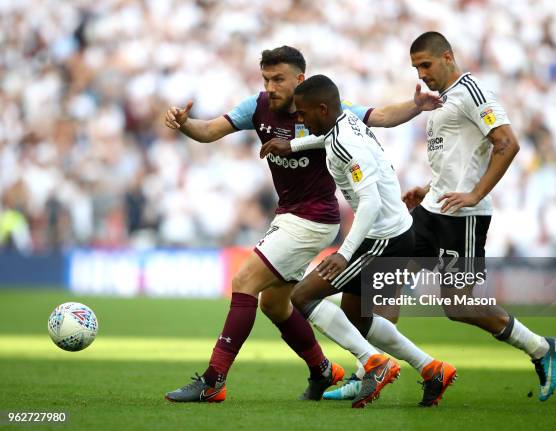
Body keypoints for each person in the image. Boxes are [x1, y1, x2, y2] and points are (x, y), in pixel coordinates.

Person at [163, 46, 443, 403]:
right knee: (275, 305)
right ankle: (323, 370)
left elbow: (382, 116)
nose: (271, 87)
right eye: (266, 79)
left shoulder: (324, 109)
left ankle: (213, 380)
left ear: (300, 80)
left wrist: (416, 105)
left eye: (278, 79)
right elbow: (209, 130)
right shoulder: (257, 106)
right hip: (290, 214)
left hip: (313, 217)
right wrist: (185, 124)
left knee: (245, 281)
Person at [402, 32, 556, 402]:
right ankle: (380, 369)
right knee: (385, 283)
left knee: (457, 305)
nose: (421, 73)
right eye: (416, 68)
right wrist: (428, 189)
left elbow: (507, 143)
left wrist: (476, 194)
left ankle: (540, 347)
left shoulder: (474, 93)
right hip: (432, 209)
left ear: (447, 56)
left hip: (464, 216)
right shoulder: (441, 101)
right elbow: (459, 159)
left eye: (425, 65)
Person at [283, 74, 456, 409]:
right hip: (395, 232)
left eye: (303, 114)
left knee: (302, 296)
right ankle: (433, 369)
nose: (300, 121)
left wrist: (345, 253)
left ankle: (375, 363)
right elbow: (326, 140)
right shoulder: (342, 121)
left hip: (383, 238)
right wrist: (291, 145)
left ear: (322, 108)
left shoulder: (348, 144)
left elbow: (371, 202)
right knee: (356, 316)